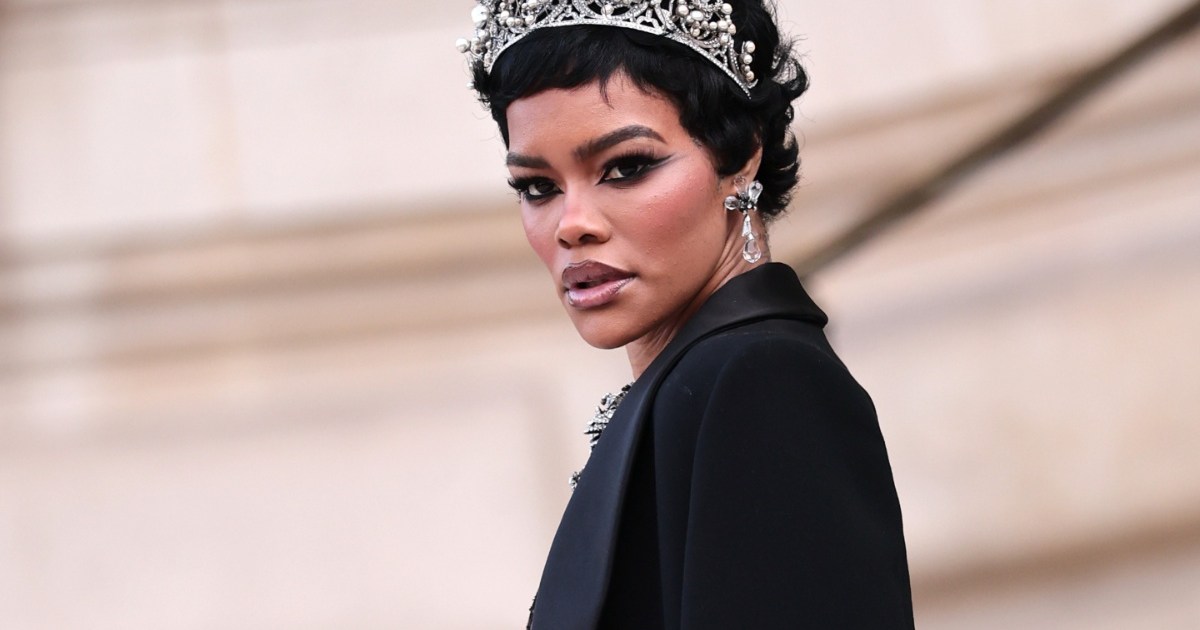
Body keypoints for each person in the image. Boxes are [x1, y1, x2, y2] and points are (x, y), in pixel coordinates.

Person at [458, 1, 914, 627]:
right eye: (538, 187)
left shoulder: (764, 381)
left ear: (741, 156)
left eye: (626, 167)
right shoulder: (696, 388)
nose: (572, 225)